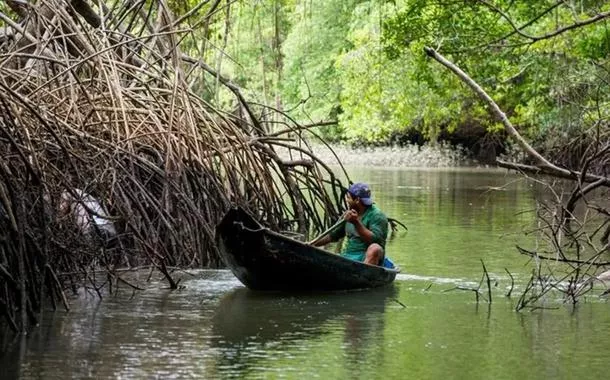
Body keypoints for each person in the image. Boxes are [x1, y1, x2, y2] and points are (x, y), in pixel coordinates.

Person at [312, 182, 388, 266]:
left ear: (357, 200)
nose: (346, 200)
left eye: (348, 197)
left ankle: (363, 275)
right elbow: (332, 236)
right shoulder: (348, 215)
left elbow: (375, 240)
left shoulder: (377, 216)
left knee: (375, 248)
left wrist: (356, 223)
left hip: (366, 257)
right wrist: (311, 244)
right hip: (348, 256)